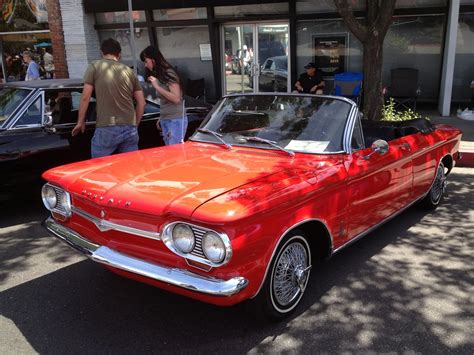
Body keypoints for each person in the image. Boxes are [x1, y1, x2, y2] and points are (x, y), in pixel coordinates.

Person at [72, 38, 145, 158]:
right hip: (129, 126)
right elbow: (141, 103)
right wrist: (134, 124)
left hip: (106, 125)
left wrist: (80, 121)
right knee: (130, 167)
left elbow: (85, 97)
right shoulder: (129, 71)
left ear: (102, 52)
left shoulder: (94, 66)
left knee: (100, 168)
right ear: (119, 54)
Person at [140, 45, 187, 145]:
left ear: (153, 59)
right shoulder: (161, 74)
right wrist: (162, 117)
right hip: (168, 119)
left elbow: (176, 98)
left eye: (146, 61)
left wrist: (157, 87)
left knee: (174, 153)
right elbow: (165, 100)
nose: (145, 65)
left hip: (175, 120)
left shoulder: (169, 73)